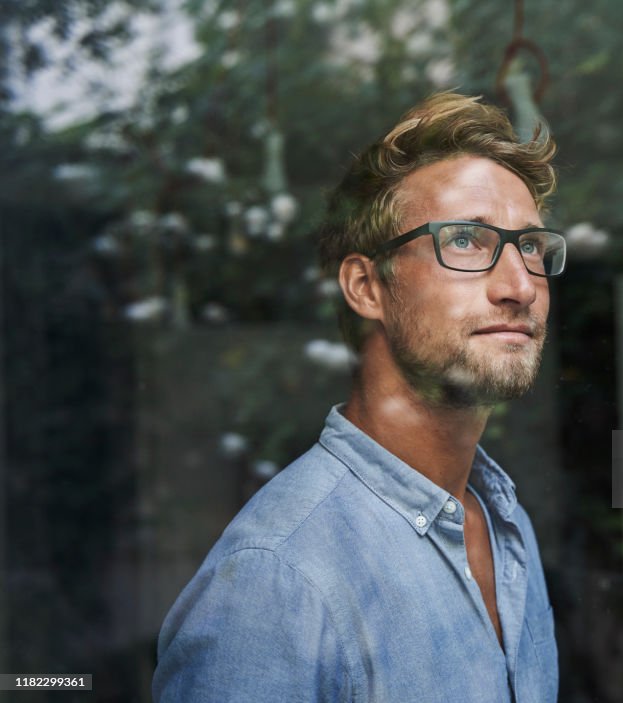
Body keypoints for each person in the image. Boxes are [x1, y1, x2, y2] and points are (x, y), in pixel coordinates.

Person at [152, 92, 564, 703]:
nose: (520, 285)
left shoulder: (505, 523)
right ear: (366, 286)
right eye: (467, 240)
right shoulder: (275, 581)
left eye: (530, 246)